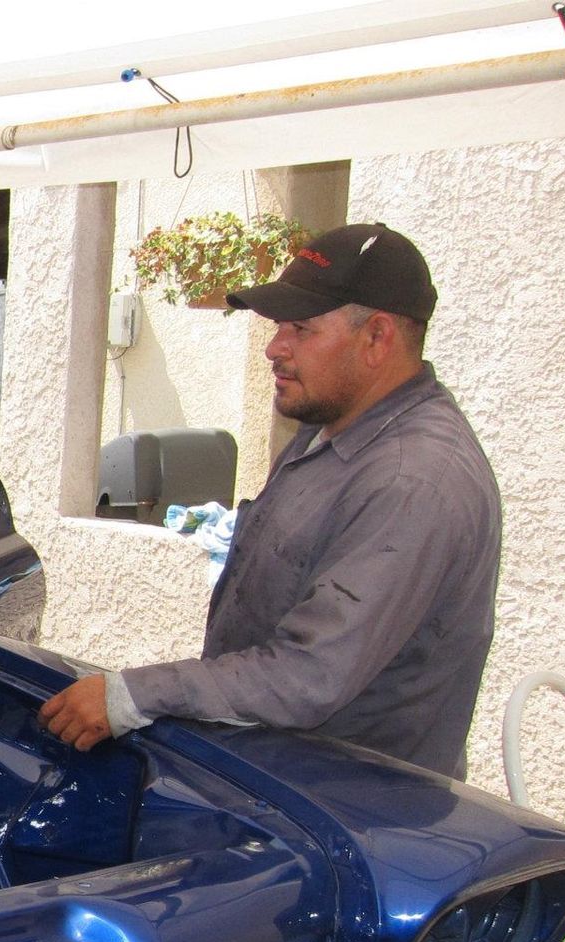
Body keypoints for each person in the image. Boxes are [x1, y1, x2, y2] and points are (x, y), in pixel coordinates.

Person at [39, 223, 500, 779]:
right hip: (273, 774)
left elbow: (309, 674)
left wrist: (133, 695)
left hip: (351, 806)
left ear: (377, 338)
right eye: (280, 326)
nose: (274, 348)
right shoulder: (326, 428)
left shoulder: (414, 481)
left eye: (301, 329)